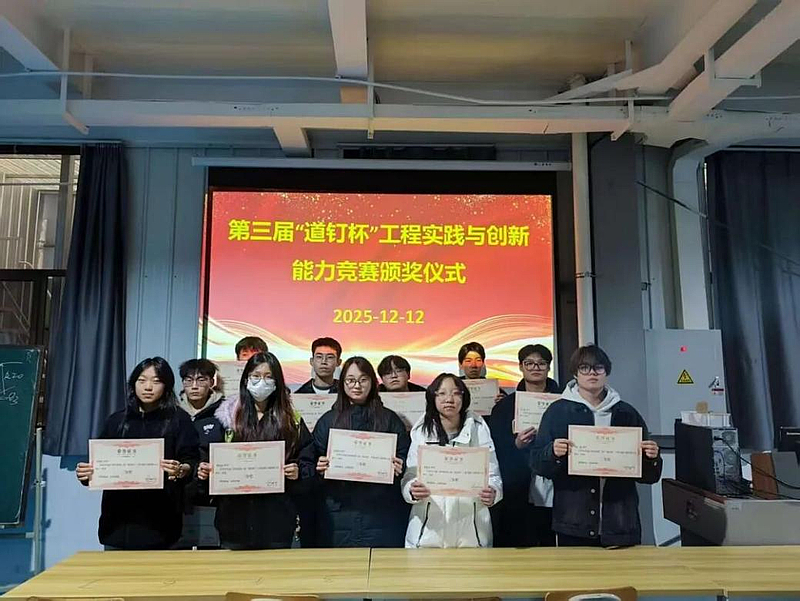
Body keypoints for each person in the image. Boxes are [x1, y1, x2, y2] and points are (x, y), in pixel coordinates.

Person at [530, 344, 662, 547]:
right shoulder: (557, 412)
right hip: (573, 522)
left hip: (620, 522)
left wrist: (651, 458)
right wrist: (553, 452)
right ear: (575, 373)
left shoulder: (626, 413)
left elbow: (650, 477)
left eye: (598, 368)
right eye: (584, 368)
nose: (592, 373)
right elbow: (537, 464)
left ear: (606, 372)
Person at [75, 357, 199, 550]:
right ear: (133, 384)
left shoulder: (178, 419)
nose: (148, 387)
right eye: (142, 380)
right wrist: (85, 474)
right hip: (117, 524)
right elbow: (98, 464)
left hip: (160, 524)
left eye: (156, 381)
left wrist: (181, 469)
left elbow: (191, 459)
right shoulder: (117, 421)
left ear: (167, 386)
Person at [197, 352, 315, 549]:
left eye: (269, 377)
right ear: (246, 380)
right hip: (233, 522)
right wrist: (204, 472)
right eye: (256, 376)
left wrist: (298, 472)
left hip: (276, 522)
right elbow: (207, 458)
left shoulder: (291, 421)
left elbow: (307, 461)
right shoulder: (227, 418)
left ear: (277, 382)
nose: (262, 382)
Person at [313, 356, 410, 547]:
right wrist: (319, 466)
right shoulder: (328, 420)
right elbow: (313, 458)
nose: (356, 385)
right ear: (342, 383)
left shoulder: (390, 419)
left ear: (372, 382)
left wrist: (401, 464)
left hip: (382, 513)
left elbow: (405, 454)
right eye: (350, 380)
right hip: (339, 512)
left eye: (363, 379)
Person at [402, 373, 502, 548]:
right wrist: (412, 490)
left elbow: (493, 476)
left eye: (456, 393)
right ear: (432, 397)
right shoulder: (421, 431)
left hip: (472, 535)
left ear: (464, 397)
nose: (449, 399)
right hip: (427, 536)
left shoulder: (478, 429)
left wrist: (494, 492)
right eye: (441, 393)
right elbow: (410, 476)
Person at [489, 344, 561, 547]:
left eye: (541, 363)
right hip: (518, 487)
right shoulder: (504, 407)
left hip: (557, 484)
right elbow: (494, 448)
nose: (535, 367)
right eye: (529, 363)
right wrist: (516, 445)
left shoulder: (566, 403)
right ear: (521, 367)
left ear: (549, 367)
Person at [294, 336, 342, 547]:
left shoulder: (346, 394)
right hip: (307, 471)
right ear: (311, 361)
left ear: (338, 362)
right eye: (319, 357)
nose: (324, 362)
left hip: (337, 470)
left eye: (330, 357)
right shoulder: (296, 397)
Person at [176, 358, 225, 547]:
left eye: (201, 379)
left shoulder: (225, 413)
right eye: (188, 380)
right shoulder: (173, 413)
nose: (194, 386)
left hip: (213, 498)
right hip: (178, 498)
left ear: (212, 382)